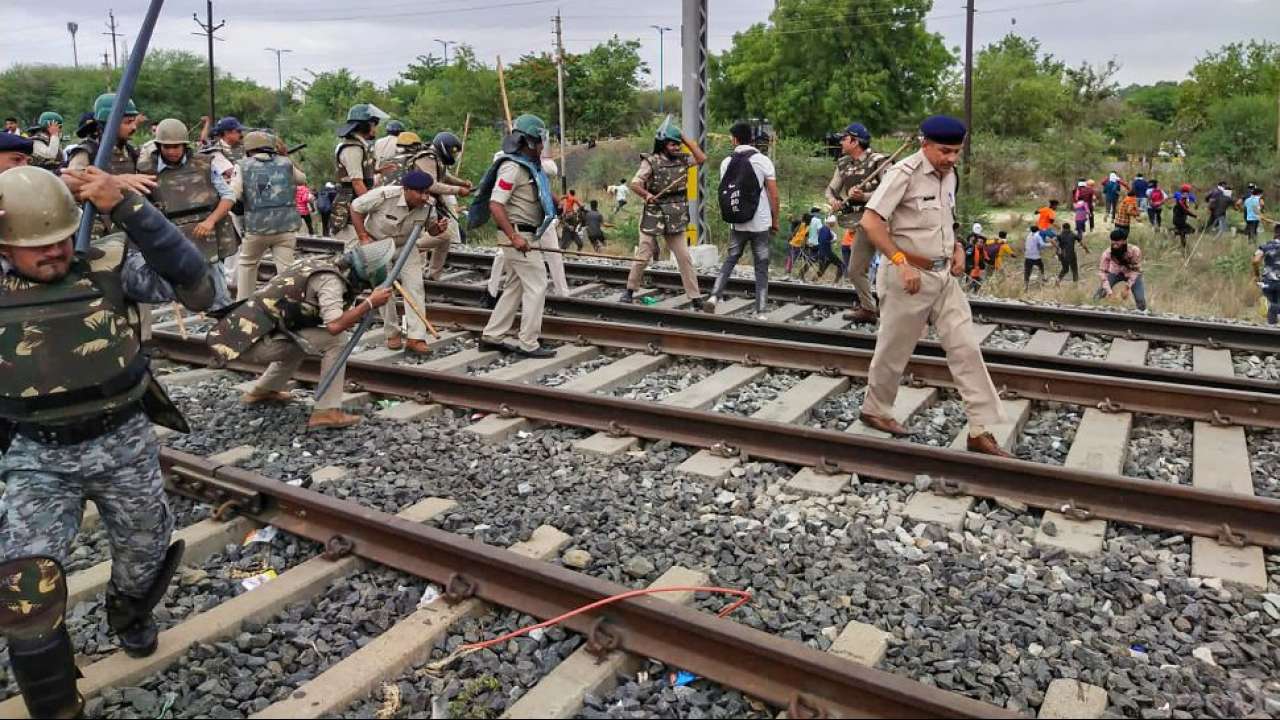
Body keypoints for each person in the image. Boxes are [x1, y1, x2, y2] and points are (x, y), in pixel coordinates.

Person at [0, 166, 217, 718]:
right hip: (34, 455)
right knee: (25, 587)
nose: (52, 253)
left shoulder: (106, 265)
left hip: (123, 442)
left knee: (146, 556)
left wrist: (129, 206)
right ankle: (57, 708)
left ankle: (129, 613)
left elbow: (200, 287)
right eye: (35, 246)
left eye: (59, 239)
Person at [855, 115, 1009, 457]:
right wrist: (899, 262)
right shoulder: (903, 174)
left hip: (943, 278)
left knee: (967, 347)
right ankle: (875, 409)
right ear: (925, 144)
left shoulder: (948, 175)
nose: (951, 158)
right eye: (944, 151)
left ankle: (980, 430)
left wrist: (956, 249)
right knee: (893, 350)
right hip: (906, 277)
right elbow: (870, 221)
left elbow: (945, 220)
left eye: (956, 152)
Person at [207, 238, 399, 429]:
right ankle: (326, 411)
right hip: (253, 341)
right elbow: (334, 326)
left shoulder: (321, 265)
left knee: (302, 340)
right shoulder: (331, 282)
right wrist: (370, 303)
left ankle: (265, 390)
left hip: (247, 334)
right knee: (336, 340)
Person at [471, 113, 558, 358]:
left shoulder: (528, 166)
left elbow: (538, 192)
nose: (542, 146)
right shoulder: (511, 167)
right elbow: (496, 205)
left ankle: (492, 335)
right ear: (529, 142)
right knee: (538, 284)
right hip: (518, 236)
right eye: (540, 141)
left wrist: (559, 203)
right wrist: (514, 238)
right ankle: (529, 343)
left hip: (527, 235)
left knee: (514, 286)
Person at [139, 118, 237, 312]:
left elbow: (228, 196)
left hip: (205, 236)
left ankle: (223, 324)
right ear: (159, 147)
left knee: (217, 291)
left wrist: (210, 221)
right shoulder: (146, 170)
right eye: (167, 147)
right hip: (170, 238)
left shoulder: (204, 164)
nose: (172, 151)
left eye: (177, 146)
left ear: (185, 145)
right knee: (177, 290)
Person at [351, 170, 449, 354]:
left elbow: (431, 230)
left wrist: (438, 229)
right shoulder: (384, 195)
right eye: (419, 192)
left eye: (427, 192)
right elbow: (355, 208)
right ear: (406, 189)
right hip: (378, 244)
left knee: (416, 287)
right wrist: (363, 237)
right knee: (383, 289)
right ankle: (392, 333)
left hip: (406, 246)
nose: (424, 196)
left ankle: (416, 337)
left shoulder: (428, 205)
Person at [619, 121, 708, 308]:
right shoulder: (650, 161)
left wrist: (684, 137)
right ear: (663, 144)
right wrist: (647, 195)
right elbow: (635, 184)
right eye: (672, 143)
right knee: (644, 253)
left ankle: (695, 297)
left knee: (684, 257)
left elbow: (701, 158)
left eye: (678, 143)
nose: (676, 147)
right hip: (654, 213)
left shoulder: (682, 160)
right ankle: (629, 290)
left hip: (675, 214)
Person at [707, 120, 778, 317]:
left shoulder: (726, 162)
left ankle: (714, 296)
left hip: (737, 222)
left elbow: (727, 191)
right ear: (752, 139)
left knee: (730, 259)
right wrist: (776, 220)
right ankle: (761, 310)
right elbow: (774, 195)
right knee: (761, 266)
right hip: (761, 222)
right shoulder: (763, 161)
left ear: (735, 139)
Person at [824, 122, 889, 322]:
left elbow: (891, 191)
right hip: (862, 223)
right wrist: (833, 201)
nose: (841, 142)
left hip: (886, 222)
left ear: (855, 141)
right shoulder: (843, 163)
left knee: (896, 268)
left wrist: (865, 196)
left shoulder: (880, 161)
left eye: (844, 138)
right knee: (854, 269)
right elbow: (830, 190)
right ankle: (869, 309)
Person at [232, 131, 308, 300]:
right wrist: (286, 158)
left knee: (248, 265)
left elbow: (234, 194)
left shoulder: (242, 165)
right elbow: (302, 179)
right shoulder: (286, 163)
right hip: (286, 227)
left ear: (248, 148)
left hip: (256, 228)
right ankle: (291, 304)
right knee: (287, 271)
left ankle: (244, 305)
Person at [485, 158, 571, 302]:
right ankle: (491, 291)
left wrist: (558, 205)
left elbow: (546, 192)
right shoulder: (519, 172)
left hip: (543, 221)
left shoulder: (535, 173)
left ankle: (563, 294)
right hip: (523, 222)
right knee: (502, 255)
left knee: (554, 254)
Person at [411, 131, 471, 279]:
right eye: (453, 151)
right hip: (416, 203)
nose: (454, 155)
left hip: (425, 203)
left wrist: (462, 183)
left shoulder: (436, 159)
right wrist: (458, 190)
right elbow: (431, 185)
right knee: (439, 235)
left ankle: (432, 275)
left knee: (445, 236)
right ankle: (405, 251)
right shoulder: (427, 158)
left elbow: (444, 176)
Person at [330, 103, 388, 236]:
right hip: (350, 205)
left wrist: (377, 171)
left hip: (355, 201)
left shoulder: (359, 146)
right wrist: (370, 205)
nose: (375, 129)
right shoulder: (353, 148)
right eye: (374, 125)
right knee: (352, 246)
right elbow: (356, 182)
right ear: (365, 125)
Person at [1095, 229, 1147, 311]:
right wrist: (1109, 293)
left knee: (1140, 300)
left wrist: (1127, 287)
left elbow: (1136, 270)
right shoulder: (1107, 253)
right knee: (1099, 294)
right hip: (1115, 272)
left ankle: (1143, 315)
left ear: (1124, 241)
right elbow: (1102, 272)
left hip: (1132, 273)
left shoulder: (1135, 251)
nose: (1115, 245)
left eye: (1117, 242)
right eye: (1113, 242)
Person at [1254, 224, 1280, 325]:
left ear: (1275, 233)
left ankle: (1272, 327)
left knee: (1272, 306)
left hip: (1268, 281)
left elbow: (1255, 261)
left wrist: (1256, 275)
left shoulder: (1265, 246)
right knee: (1275, 306)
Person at [1172, 183, 1198, 250]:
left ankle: (1184, 247)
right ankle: (1175, 232)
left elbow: (1193, 200)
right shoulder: (1181, 200)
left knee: (1182, 233)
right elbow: (1185, 210)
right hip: (1179, 220)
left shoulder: (1184, 198)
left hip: (1179, 219)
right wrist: (1195, 216)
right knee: (1191, 230)